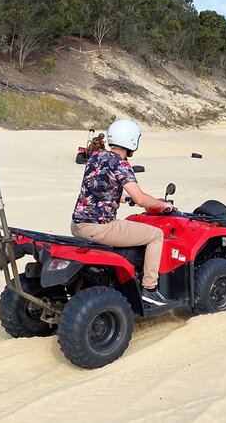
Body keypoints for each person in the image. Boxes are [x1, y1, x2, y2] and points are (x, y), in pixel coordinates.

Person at [70, 120, 173, 306]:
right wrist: (162, 205)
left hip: (78, 225)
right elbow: (141, 198)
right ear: (132, 141)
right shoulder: (121, 165)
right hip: (101, 228)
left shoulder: (96, 157)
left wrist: (125, 199)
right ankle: (150, 288)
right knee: (156, 235)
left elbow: (99, 190)